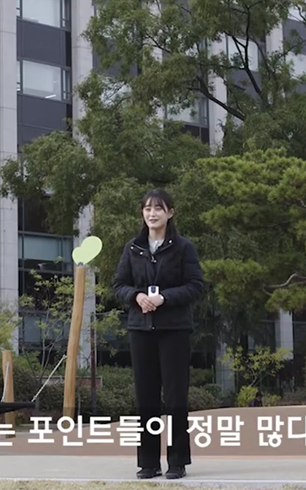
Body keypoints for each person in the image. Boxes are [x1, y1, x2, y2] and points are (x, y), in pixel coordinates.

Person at [113, 188, 205, 480]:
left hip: (174, 329)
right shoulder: (133, 248)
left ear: (170, 213)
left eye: (158, 208)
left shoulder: (183, 248)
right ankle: (148, 462)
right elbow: (119, 285)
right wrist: (136, 296)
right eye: (147, 209)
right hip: (140, 329)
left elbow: (195, 286)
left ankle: (177, 461)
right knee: (146, 397)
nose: (152, 214)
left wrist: (165, 298)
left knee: (176, 397)